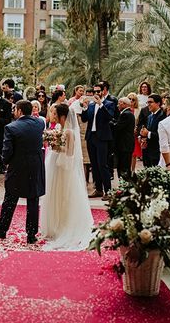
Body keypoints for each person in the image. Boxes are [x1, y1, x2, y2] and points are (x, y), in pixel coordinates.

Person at [40, 103, 94, 250]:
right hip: (54, 165)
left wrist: (57, 146)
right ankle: (54, 226)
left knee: (64, 196)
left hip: (64, 169)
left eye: (56, 114)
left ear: (63, 115)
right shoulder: (57, 129)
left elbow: (70, 154)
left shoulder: (70, 132)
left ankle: (64, 225)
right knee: (53, 195)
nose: (54, 116)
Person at [0, 100, 46, 244]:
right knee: (33, 200)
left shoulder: (11, 127)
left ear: (20, 111)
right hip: (35, 167)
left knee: (10, 199)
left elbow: (7, 151)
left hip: (17, 168)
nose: (13, 111)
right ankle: (31, 234)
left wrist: (5, 162)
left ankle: (2, 230)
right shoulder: (39, 124)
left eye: (15, 109)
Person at [80, 84, 115, 199]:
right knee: (94, 165)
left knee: (102, 164)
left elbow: (110, 117)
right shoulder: (90, 106)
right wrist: (84, 107)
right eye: (94, 91)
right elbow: (85, 119)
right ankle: (98, 189)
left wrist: (100, 104)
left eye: (98, 91)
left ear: (103, 91)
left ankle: (108, 191)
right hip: (91, 137)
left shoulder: (109, 104)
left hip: (102, 138)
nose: (96, 93)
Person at [111, 97, 136, 180]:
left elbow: (118, 127)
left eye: (119, 103)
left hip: (124, 145)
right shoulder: (128, 113)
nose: (118, 105)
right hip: (125, 144)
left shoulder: (126, 114)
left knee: (123, 167)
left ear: (124, 104)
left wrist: (110, 122)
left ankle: (124, 186)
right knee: (123, 166)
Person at [140, 94, 166, 168]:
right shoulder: (149, 116)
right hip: (148, 151)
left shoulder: (163, 116)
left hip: (157, 152)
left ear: (158, 103)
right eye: (147, 102)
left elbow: (162, 135)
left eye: (150, 102)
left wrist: (148, 133)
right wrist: (144, 139)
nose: (148, 104)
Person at [126, 92, 142, 176]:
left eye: (133, 99)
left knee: (134, 154)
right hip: (126, 135)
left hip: (134, 135)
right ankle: (127, 170)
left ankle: (132, 170)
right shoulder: (125, 109)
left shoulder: (138, 110)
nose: (131, 101)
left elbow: (140, 122)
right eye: (129, 99)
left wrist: (137, 129)